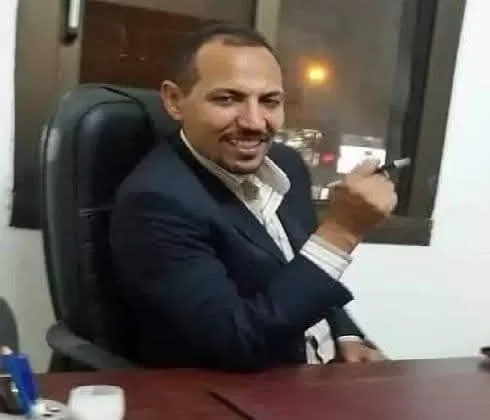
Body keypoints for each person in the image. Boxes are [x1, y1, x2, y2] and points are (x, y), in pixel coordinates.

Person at [109, 24, 398, 371]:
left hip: (325, 370)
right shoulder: (155, 202)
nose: (255, 122)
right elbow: (238, 342)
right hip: (251, 386)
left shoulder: (286, 164)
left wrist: (346, 334)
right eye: (227, 99)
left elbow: (304, 269)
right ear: (174, 101)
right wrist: (343, 231)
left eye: (269, 101)